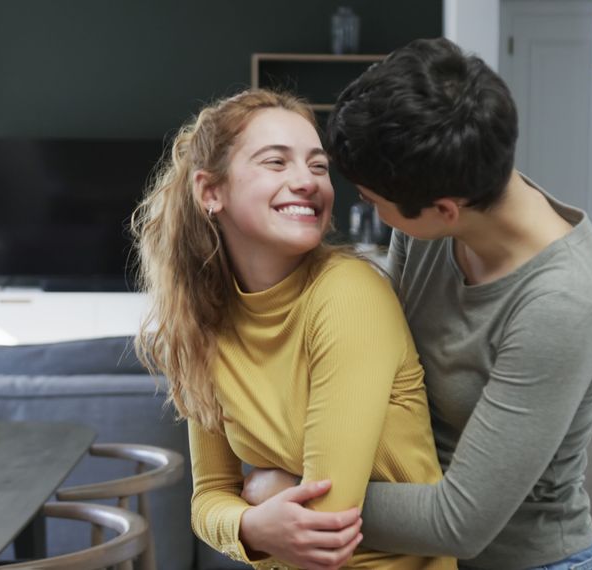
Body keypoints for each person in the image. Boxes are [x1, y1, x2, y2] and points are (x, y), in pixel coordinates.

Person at [239, 38, 592, 570]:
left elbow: (458, 522)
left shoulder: (563, 306)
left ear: (443, 211)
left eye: (374, 202)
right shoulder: (441, 193)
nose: (364, 207)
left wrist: (297, 493)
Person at [132, 89, 456, 570]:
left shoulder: (348, 294)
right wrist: (248, 526)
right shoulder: (203, 319)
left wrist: (263, 490)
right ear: (210, 192)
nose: (306, 181)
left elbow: (324, 526)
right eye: (276, 162)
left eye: (318, 166)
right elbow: (208, 500)